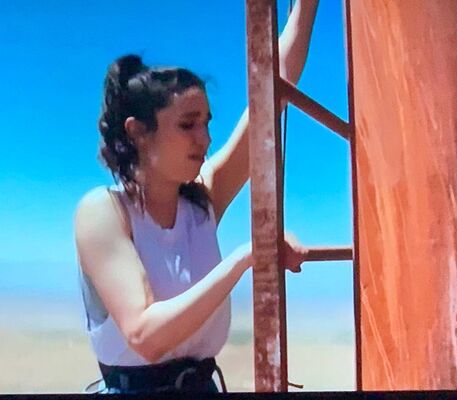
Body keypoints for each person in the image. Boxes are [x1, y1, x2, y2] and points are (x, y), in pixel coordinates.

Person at [74, 0, 318, 394]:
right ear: (138, 132)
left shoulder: (201, 202)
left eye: (206, 123)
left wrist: (306, 8)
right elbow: (145, 335)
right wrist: (246, 258)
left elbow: (273, 91)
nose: (204, 139)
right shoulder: (103, 211)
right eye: (187, 125)